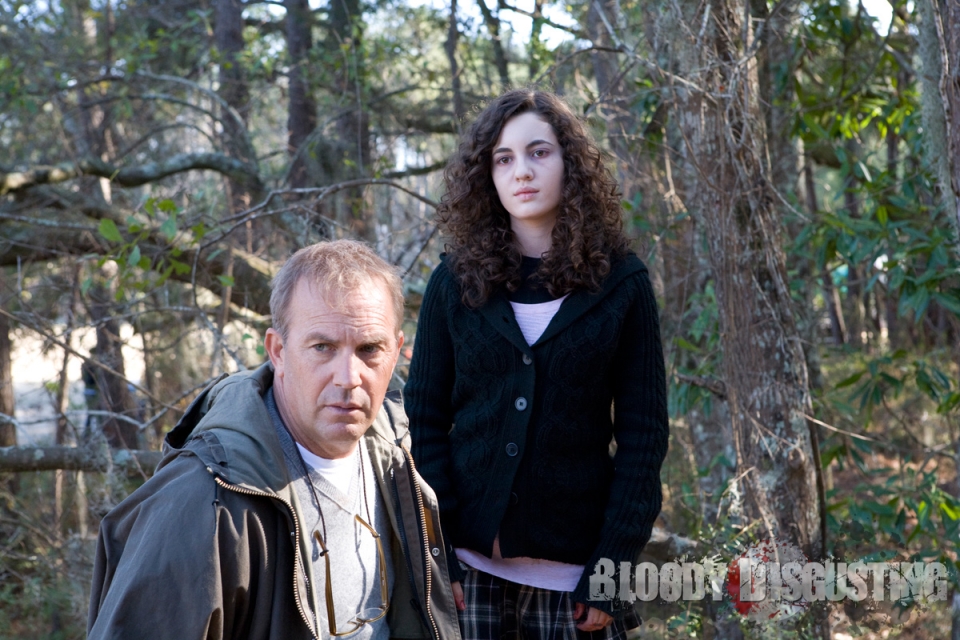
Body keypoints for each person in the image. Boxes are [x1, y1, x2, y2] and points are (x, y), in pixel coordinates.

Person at [88, 240, 462, 640]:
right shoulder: (202, 504)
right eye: (323, 347)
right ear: (278, 351)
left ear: (398, 351)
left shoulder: (402, 459)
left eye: (370, 349)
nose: (348, 378)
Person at [404, 89, 668, 639]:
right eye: (503, 159)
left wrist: (612, 570)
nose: (521, 171)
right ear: (487, 175)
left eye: (539, 152)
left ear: (571, 162)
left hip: (577, 587)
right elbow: (423, 423)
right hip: (467, 579)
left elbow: (643, 439)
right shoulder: (453, 283)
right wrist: (439, 553)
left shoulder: (622, 284)